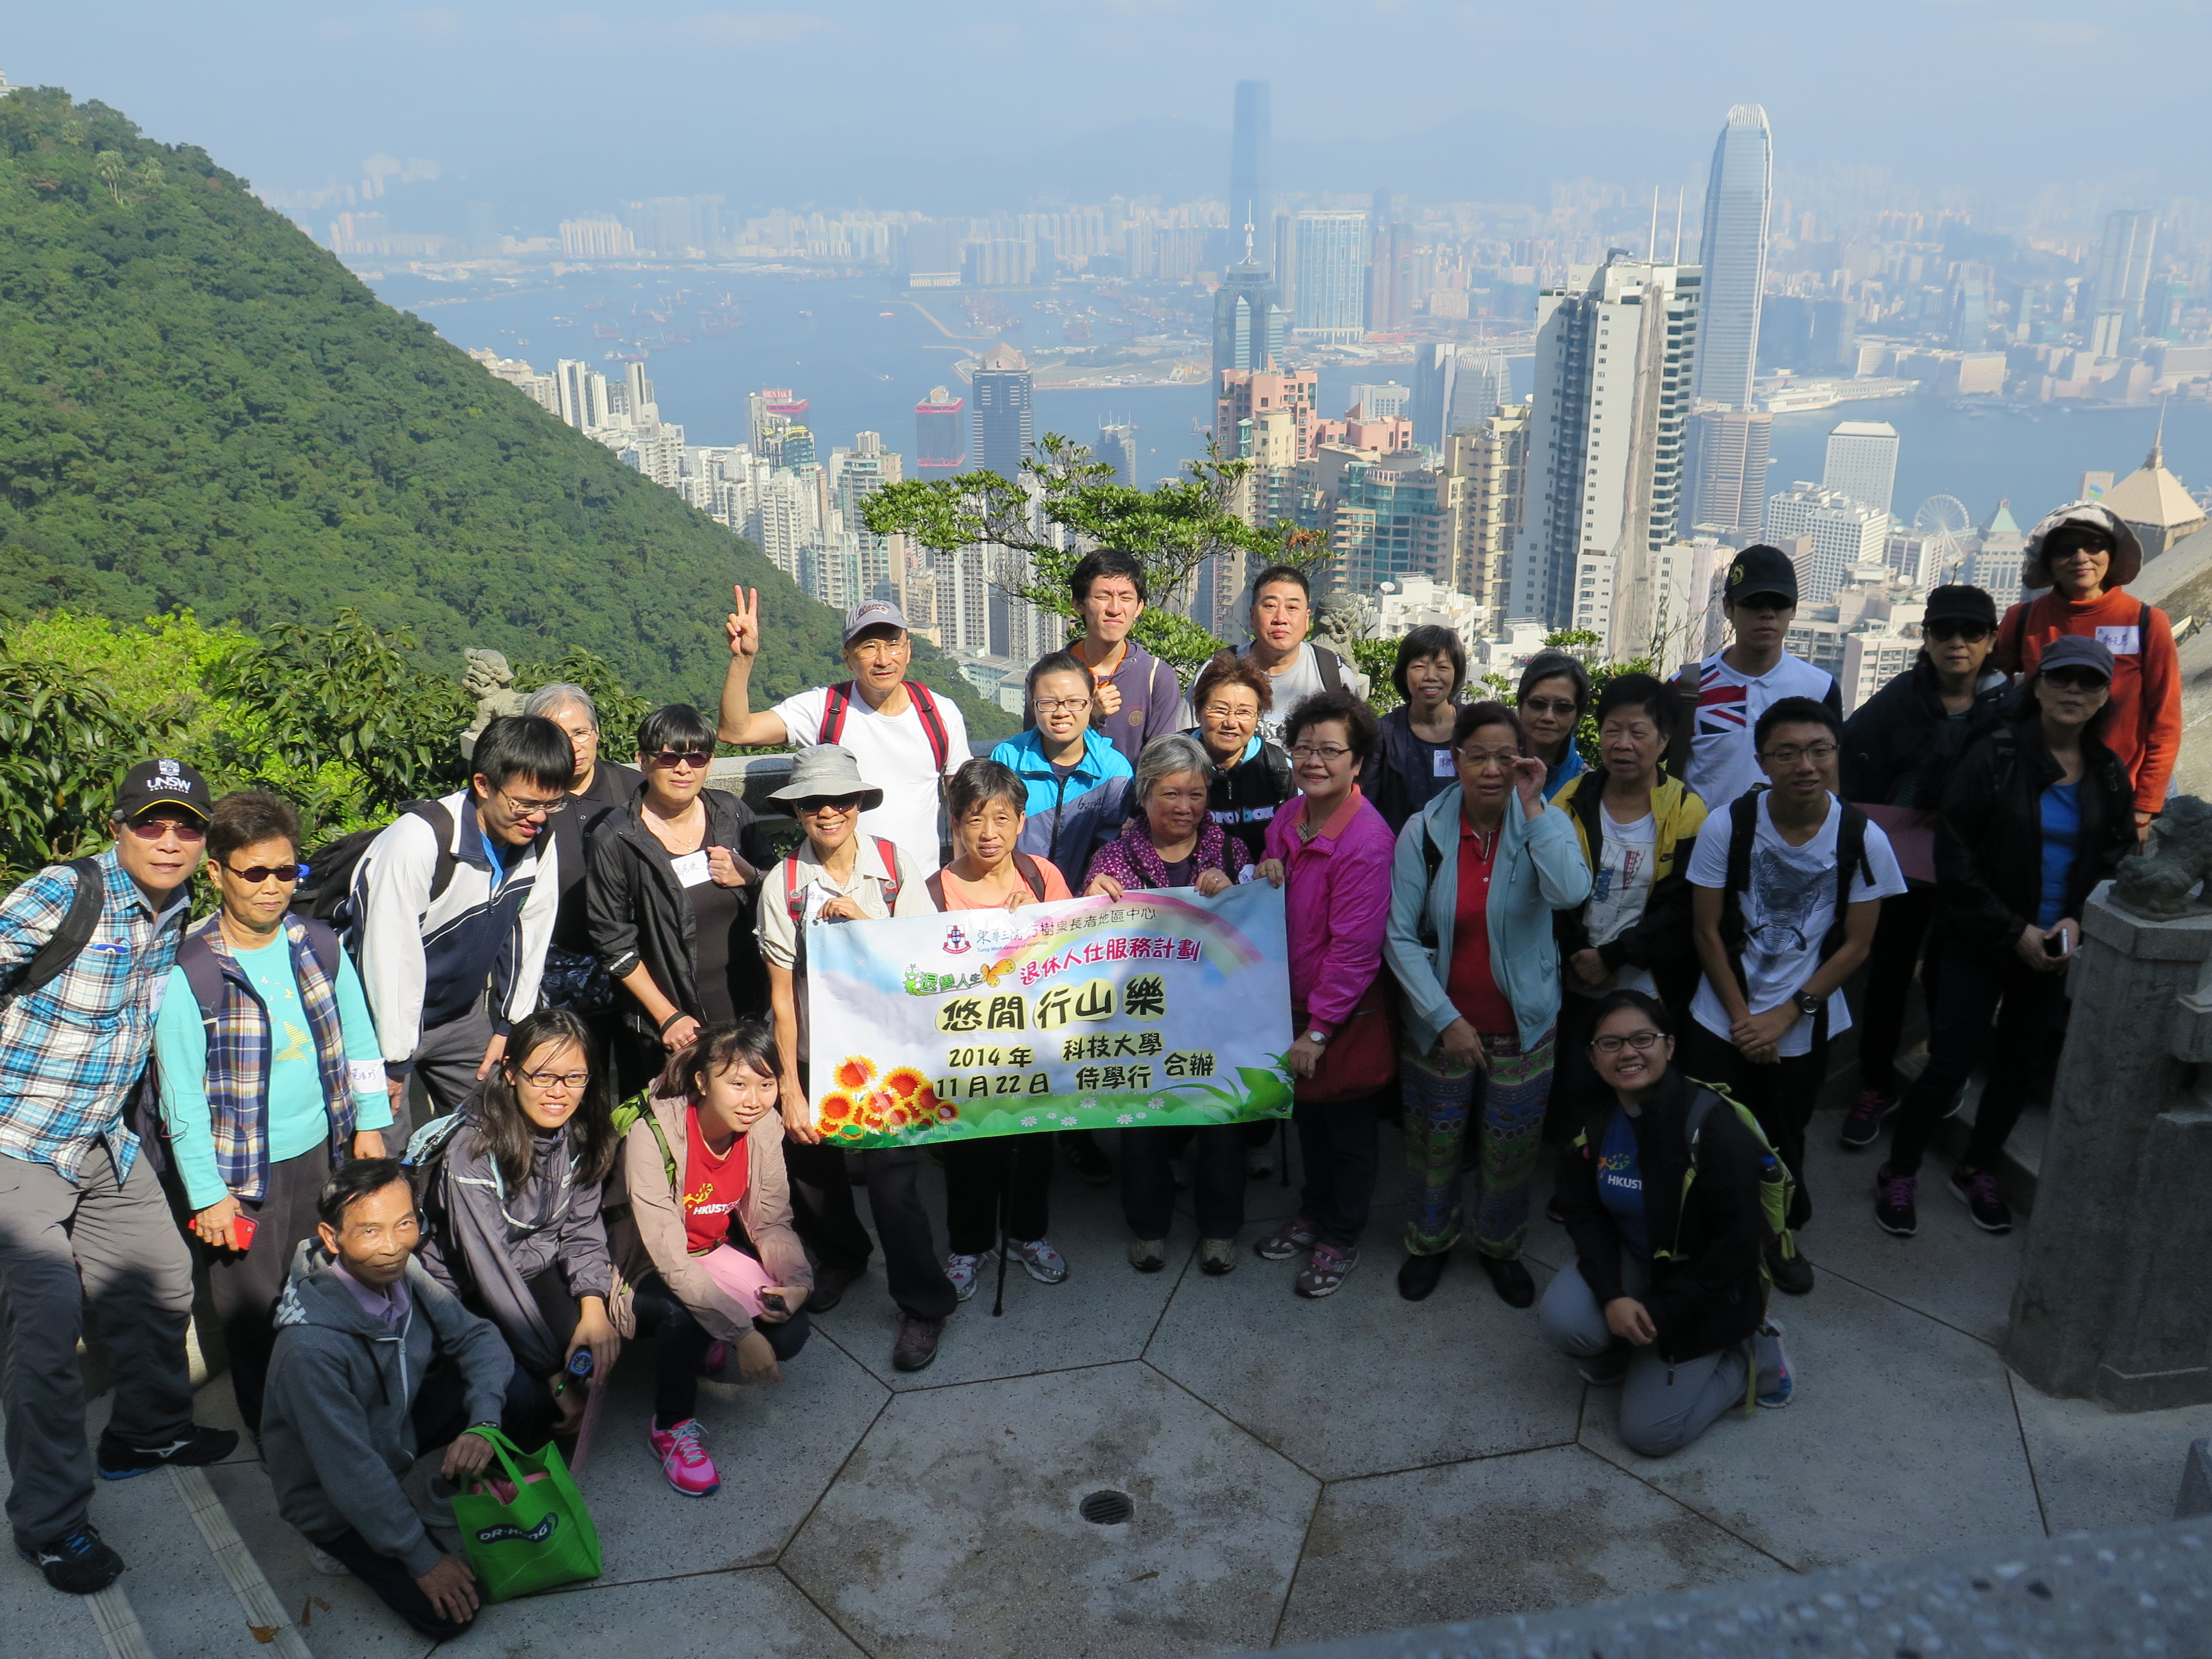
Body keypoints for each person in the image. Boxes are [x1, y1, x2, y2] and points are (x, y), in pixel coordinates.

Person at [0, 759, 238, 1595]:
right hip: (17, 1141)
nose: (169, 840)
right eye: (152, 823)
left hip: (99, 1140)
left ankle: (147, 1431)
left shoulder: (176, 911)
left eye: (186, 826)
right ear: (119, 827)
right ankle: (52, 1524)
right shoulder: (65, 895)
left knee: (164, 1278)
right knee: (48, 1334)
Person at [1874, 637, 2136, 1237]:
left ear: (2103, 697)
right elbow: (1956, 855)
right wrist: (2012, 928)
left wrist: (2075, 921)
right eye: (2061, 679)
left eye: (2088, 683)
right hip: (1979, 937)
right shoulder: (1995, 755)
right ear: (2037, 686)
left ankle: (1978, 1167)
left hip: (2053, 948)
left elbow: (2116, 858)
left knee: (2018, 1067)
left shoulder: (2106, 774)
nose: (2073, 692)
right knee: (1949, 1062)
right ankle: (1901, 1169)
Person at [152, 790, 393, 1435]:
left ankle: (332, 1406)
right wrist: (207, 1195)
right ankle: (275, 1432)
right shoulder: (192, 971)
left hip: (324, 1154)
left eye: (286, 871)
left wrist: (370, 1122)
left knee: (325, 1290)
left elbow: (360, 1040)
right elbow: (180, 1097)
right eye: (254, 872)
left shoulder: (317, 944)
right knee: (255, 1315)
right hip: (242, 1180)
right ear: (217, 873)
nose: (272, 887)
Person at [1684, 696, 1906, 1296]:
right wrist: (1742, 1021)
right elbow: (1705, 929)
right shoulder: (1727, 825)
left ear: (1835, 754)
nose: (1803, 764)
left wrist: (1786, 1014)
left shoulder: (1862, 838)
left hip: (1802, 1020)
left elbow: (1856, 946)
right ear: (1762, 761)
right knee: (1708, 1131)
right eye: (1786, 752)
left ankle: (1778, 1235)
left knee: (1784, 1134)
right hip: (1720, 1013)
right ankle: (1706, 1232)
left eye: (1817, 749)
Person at [755, 745, 957, 1373]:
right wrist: (789, 1086)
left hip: (887, 1056)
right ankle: (841, 1258)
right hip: (816, 1050)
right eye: (813, 803)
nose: (828, 812)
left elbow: (922, 966)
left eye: (841, 800)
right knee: (813, 1170)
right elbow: (781, 997)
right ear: (796, 812)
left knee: (895, 1184)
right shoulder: (783, 885)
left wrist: (867, 925)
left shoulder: (895, 868)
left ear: (860, 804)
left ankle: (924, 1304)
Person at [1384, 702, 1592, 1307]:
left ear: (1527, 761)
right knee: (1432, 1149)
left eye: (1508, 756)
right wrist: (1443, 1019)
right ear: (1456, 761)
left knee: (1511, 1152)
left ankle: (1500, 1246)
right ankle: (1430, 1243)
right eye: (1479, 756)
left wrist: (1534, 807)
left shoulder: (1543, 823)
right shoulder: (1423, 831)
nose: (1493, 769)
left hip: (1523, 1027)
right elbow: (1397, 935)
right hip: (1440, 1027)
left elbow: (1571, 892)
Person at [260, 1159, 512, 1642]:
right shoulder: (309, 1350)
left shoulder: (405, 1269)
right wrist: (421, 1555)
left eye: (405, 1224)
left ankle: (440, 1490)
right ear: (332, 1239)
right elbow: (349, 1468)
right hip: (332, 1496)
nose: (393, 1246)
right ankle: (341, 1542)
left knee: (517, 1396)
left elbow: (478, 1338)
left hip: (393, 1427)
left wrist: (484, 1423)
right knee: (449, 1615)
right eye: (370, 1231)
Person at [1540, 992, 1792, 1457]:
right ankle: (1625, 1349)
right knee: (1566, 1323)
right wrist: (1614, 1295)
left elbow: (1738, 1248)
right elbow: (1583, 1211)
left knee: (1650, 1435)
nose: (1628, 1053)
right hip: (1638, 1260)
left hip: (1704, 1289)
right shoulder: (1593, 1117)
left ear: (1670, 1046)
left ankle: (1756, 1359)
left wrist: (1660, 1309)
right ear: (1593, 1057)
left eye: (1643, 1039)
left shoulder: (1714, 1132)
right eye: (1611, 1043)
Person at [1835, 586, 2011, 1150]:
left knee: (1949, 975)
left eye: (1972, 632)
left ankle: (1943, 1077)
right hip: (1903, 864)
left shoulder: (2010, 708)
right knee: (1887, 974)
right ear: (1926, 638)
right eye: (1944, 631)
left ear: (1991, 640)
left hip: (1975, 867)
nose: (1957, 643)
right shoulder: (1899, 699)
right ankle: (1875, 1083)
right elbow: (1850, 757)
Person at [1077, 736, 1259, 1276]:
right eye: (1170, 794)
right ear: (1144, 795)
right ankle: (1148, 1228)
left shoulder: (1229, 852)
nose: (1185, 807)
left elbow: (1255, 932)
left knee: (1223, 1124)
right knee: (1142, 1129)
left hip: (1215, 1021)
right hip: (1142, 1020)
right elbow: (1088, 943)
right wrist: (1093, 897)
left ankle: (1221, 1230)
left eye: (1196, 794)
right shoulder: (1113, 858)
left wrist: (1236, 891)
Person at [609, 1020, 813, 1498]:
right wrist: (740, 1333)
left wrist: (799, 1284)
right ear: (702, 1081)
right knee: (686, 1316)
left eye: (766, 1085)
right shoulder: (653, 1132)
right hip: (641, 1264)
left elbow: (770, 1221)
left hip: (707, 1252)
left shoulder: (763, 1126)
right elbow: (668, 1257)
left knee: (789, 1331)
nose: (753, 1099)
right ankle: (671, 1424)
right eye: (737, 1083)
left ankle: (704, 1342)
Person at [353, 714, 572, 1136]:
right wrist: (394, 1060)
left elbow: (532, 932)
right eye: (524, 804)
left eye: (551, 804)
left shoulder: (538, 841)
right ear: (483, 784)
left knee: (500, 1132)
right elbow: (390, 957)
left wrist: (512, 1026)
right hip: (379, 1022)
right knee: (384, 1150)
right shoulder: (420, 842)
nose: (538, 818)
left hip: (461, 1014)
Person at [415, 1009, 622, 1449]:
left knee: (588, 1353)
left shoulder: (580, 1133)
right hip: (467, 1288)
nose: (558, 1093)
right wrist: (552, 1377)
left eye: (574, 1078)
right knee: (528, 1394)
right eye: (542, 1076)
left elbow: (583, 1228)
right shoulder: (472, 1152)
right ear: (509, 1073)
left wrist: (593, 1306)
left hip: (531, 1266)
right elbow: (491, 1274)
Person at [1250, 691, 1396, 1297]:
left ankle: (1340, 1236)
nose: (1314, 760)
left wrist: (1317, 1030)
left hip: (1341, 1014)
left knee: (1349, 1131)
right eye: (1304, 747)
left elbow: (1355, 949)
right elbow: (1267, 870)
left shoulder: (1366, 839)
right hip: (1289, 999)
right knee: (1308, 1120)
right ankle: (1313, 1211)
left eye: (1330, 750)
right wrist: (1265, 868)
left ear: (1357, 762)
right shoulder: (1290, 817)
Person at [927, 760, 1077, 1298]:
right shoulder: (933, 890)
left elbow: (1073, 957)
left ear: (1020, 821)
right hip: (964, 1053)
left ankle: (1027, 1235)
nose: (987, 834)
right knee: (968, 1150)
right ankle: (967, 1245)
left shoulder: (1042, 877)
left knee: (1033, 1145)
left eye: (1000, 818)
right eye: (973, 819)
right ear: (954, 823)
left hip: (1033, 1045)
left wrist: (1037, 921)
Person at [586, 703, 773, 1098]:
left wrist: (751, 877)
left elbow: (780, 887)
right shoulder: (617, 838)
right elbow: (612, 941)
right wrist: (667, 1016)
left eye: (696, 757)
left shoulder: (732, 815)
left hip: (747, 1009)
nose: (683, 769)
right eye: (669, 757)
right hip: (673, 1021)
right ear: (643, 761)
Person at [1550, 675, 1708, 1132]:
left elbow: (1681, 907)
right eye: (1612, 730)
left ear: (1664, 740)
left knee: (1641, 1093)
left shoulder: (1686, 809)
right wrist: (1583, 954)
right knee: (1576, 1090)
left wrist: (1616, 956)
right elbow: (1554, 890)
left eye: (1638, 733)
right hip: (1574, 977)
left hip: (1649, 982)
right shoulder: (1571, 801)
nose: (1622, 744)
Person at [718, 591, 968, 873]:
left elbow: (963, 809)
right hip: (842, 891)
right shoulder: (825, 709)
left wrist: (957, 885)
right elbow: (737, 731)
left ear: (909, 651)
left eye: (893, 645)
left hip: (921, 888)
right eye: (869, 647)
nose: (884, 659)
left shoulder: (940, 713)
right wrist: (743, 659)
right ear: (848, 659)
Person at [1995, 502, 2180, 842]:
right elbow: (1991, 696)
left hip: (2120, 796)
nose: (2081, 558)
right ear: (2049, 562)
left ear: (2110, 554)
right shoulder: (2022, 619)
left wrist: (2145, 808)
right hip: (2038, 792)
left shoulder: (2146, 623)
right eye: (2066, 549)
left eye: (2093, 546)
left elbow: (2165, 720)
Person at [1670, 545, 1843, 816]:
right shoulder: (1687, 687)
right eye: (1753, 603)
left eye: (1779, 603)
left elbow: (1831, 779)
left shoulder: (1820, 689)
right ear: (1729, 607)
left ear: (1794, 609)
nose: (1767, 614)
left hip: (1789, 848)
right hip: (1702, 848)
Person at [523, 684, 640, 1025]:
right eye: (558, 735)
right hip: (553, 962)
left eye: (580, 732)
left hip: (635, 961)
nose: (573, 746)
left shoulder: (634, 791)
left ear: (597, 733)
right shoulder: (525, 801)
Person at [989, 651, 1134, 893]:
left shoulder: (1114, 771)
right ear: (1033, 706)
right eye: (1048, 703)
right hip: (1017, 900)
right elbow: (993, 834)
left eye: (1074, 702)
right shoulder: (1008, 759)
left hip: (1086, 902)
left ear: (1091, 704)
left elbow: (1117, 847)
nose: (1061, 713)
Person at [1059, 549, 1186, 768]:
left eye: (1126, 598)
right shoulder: (1052, 675)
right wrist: (1089, 716)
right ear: (1079, 604)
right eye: (1102, 597)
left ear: (1139, 608)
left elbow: (1161, 766)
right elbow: (1036, 753)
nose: (1115, 609)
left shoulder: (1156, 677)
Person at [1188, 647, 1295, 864]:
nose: (1231, 723)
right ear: (1199, 711)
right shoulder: (1172, 762)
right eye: (1219, 710)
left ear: (1258, 717)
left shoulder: (1279, 768)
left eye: (1244, 712)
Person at [1240, 566, 1355, 748]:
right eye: (1270, 606)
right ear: (1252, 615)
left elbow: (1353, 752)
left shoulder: (1334, 675)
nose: (1281, 618)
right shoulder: (1221, 671)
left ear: (1307, 620)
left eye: (1292, 607)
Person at [1370, 625, 1467, 834]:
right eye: (1419, 666)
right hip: (1399, 853)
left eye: (1442, 667)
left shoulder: (1475, 728)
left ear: (1457, 673)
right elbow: (1366, 805)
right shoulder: (1384, 733)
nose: (1431, 676)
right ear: (1404, 674)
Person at [1516, 649, 1592, 803]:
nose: (1548, 717)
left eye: (1563, 707)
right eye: (1538, 704)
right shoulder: (1495, 770)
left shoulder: (1587, 787)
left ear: (1577, 714)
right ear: (1520, 705)